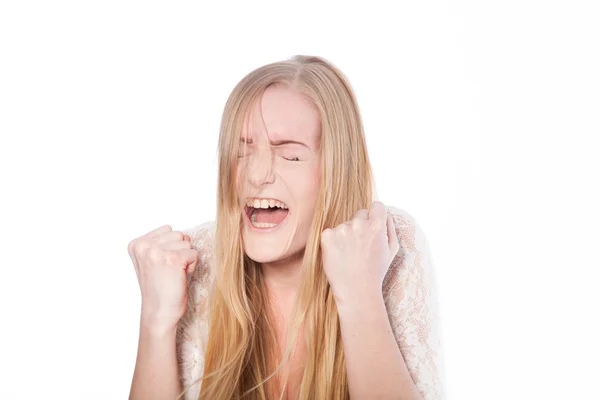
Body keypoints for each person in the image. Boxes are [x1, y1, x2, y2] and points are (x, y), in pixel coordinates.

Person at [128, 55, 444, 400]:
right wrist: (157, 322)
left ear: (337, 172)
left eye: (290, 155)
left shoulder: (386, 243)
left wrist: (360, 297)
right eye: (242, 152)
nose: (256, 175)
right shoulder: (197, 258)